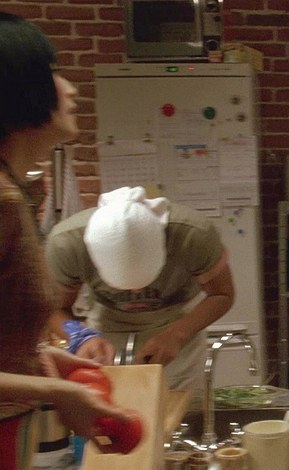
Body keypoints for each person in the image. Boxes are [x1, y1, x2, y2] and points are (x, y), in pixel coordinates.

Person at [0, 11, 132, 464]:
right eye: (52, 72)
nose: (71, 89)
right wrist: (56, 390)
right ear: (18, 87)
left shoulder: (13, 191)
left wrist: (39, 359)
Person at [45, 185, 235, 404]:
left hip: (177, 323)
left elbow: (222, 294)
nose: (136, 293)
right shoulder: (66, 244)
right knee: (108, 408)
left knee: (181, 410)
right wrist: (80, 336)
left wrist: (176, 335)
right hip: (106, 326)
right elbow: (53, 308)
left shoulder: (193, 235)